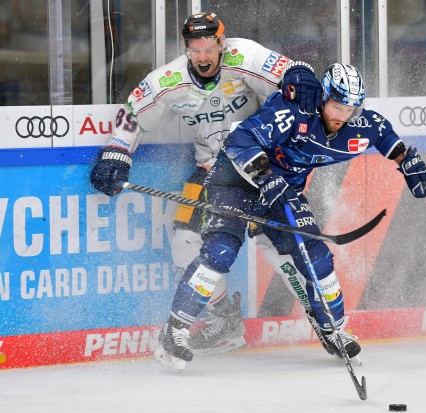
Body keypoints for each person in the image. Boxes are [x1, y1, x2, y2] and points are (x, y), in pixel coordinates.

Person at [155, 62, 426, 370]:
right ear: (324, 97)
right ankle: (174, 331)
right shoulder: (295, 110)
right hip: (235, 180)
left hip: (282, 191)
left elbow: (383, 135)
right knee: (220, 250)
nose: (342, 116)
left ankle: (334, 329)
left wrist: (409, 161)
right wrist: (264, 174)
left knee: (316, 258)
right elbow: (239, 141)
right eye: (337, 106)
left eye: (350, 109)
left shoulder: (360, 124)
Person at [89, 12, 325, 355]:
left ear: (221, 43)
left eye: (209, 46)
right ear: (186, 48)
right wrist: (117, 151)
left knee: (280, 250)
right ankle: (225, 319)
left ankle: (326, 319)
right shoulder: (170, 79)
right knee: (185, 242)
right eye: (195, 47)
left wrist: (300, 78)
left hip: (266, 167)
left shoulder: (243, 56)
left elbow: (291, 75)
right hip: (213, 170)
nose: (203, 55)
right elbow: (133, 112)